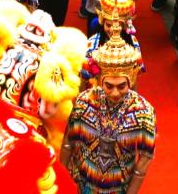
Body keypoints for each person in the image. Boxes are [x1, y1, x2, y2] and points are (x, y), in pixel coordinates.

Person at [61, 33, 155, 194]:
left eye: (122, 86)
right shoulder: (84, 102)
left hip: (118, 188)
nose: (115, 93)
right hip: (81, 183)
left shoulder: (144, 112)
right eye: (109, 86)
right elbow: (68, 143)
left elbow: (143, 162)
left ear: (131, 80)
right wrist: (62, 179)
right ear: (100, 80)